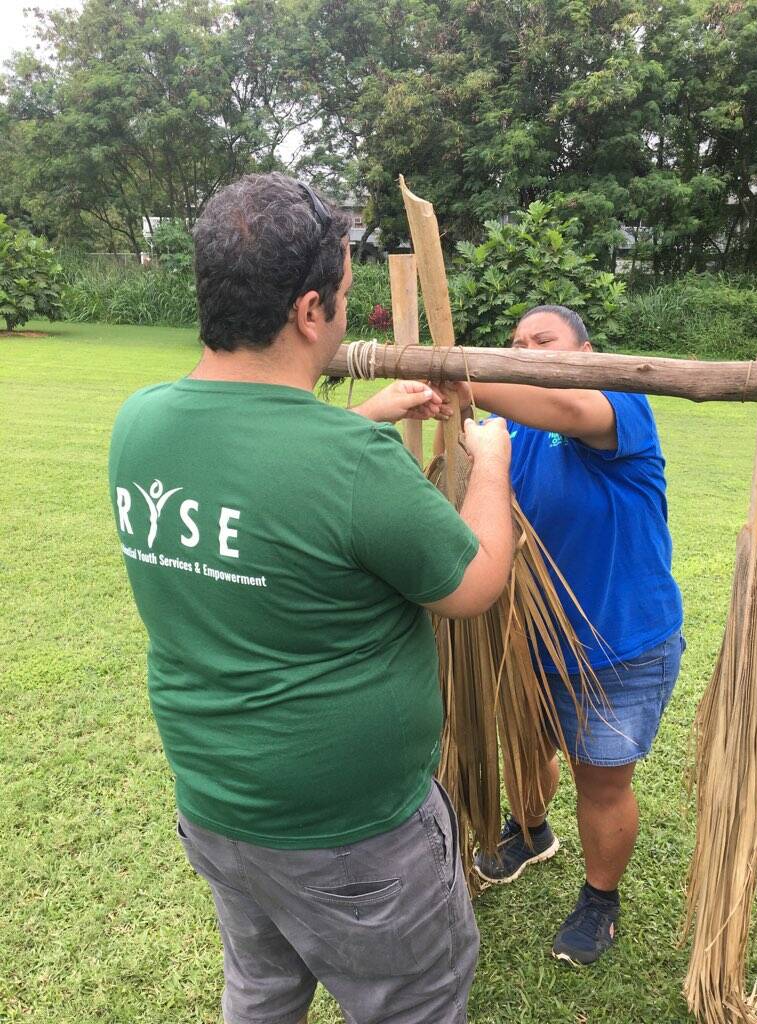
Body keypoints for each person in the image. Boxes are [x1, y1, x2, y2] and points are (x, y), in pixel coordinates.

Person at [108, 171, 515, 1024]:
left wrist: (363, 412)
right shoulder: (347, 464)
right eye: (342, 295)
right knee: (414, 1003)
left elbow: (265, 479)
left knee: (261, 994)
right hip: (354, 837)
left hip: (219, 809)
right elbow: (475, 583)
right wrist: (494, 466)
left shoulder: (140, 425)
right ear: (307, 311)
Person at [438, 304, 684, 966]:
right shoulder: (507, 431)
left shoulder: (620, 404)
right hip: (532, 634)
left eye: (541, 342)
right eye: (513, 344)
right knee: (526, 744)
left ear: (587, 353)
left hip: (618, 643)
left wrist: (459, 375)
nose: (523, 352)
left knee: (599, 780)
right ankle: (532, 830)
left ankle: (600, 899)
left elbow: (570, 413)